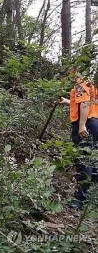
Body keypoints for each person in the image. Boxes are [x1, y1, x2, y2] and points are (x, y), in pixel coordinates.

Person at [59, 68, 98, 209]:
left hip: (87, 123)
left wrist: (82, 125)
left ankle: (79, 199)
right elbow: (83, 102)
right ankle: (91, 198)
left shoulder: (80, 82)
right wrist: (67, 101)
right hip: (94, 123)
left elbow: (84, 104)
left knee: (84, 160)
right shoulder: (90, 83)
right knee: (93, 160)